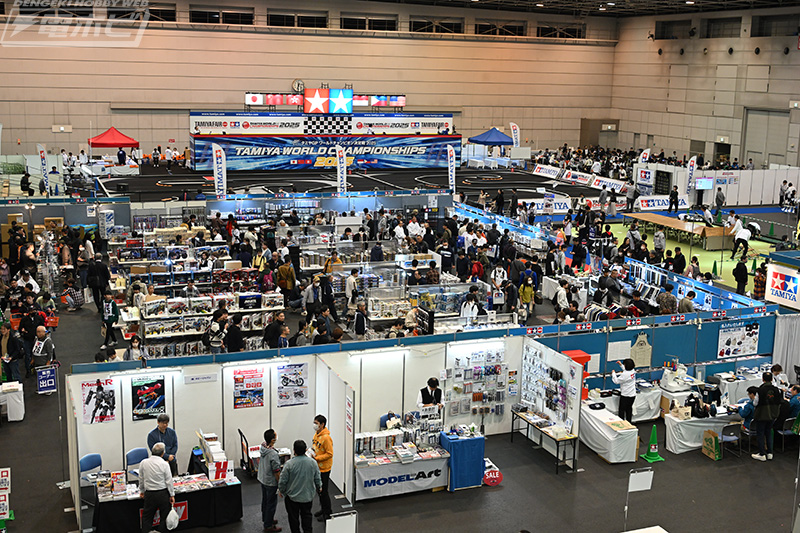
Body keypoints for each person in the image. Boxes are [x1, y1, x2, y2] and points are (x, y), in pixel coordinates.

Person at [278, 439, 322, 533]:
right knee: (307, 517)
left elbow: (282, 481)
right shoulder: (313, 463)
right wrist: (319, 487)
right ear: (305, 450)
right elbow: (317, 478)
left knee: (293, 519)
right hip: (307, 497)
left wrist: (282, 491)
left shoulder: (289, 464)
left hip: (292, 498)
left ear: (294, 451)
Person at [139, 442, 175, 533]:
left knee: (147, 517)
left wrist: (142, 491)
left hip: (149, 494)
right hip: (162, 494)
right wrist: (172, 495)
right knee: (164, 517)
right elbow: (169, 481)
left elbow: (141, 479)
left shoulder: (143, 463)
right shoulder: (164, 464)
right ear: (163, 453)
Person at [751, 373, 782, 461]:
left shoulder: (760, 390)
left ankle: (762, 454)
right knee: (768, 433)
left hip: (762, 415)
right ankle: (770, 453)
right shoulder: (777, 390)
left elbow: (755, 403)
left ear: (763, 379)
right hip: (773, 415)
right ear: (772, 379)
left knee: (760, 434)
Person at [259, 429, 282, 532]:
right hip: (271, 482)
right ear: (273, 440)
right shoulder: (273, 454)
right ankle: (268, 526)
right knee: (271, 504)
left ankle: (267, 519)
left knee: (265, 501)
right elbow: (276, 472)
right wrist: (280, 484)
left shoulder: (263, 447)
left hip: (263, 478)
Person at [311, 415, 333, 522]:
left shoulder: (326, 438)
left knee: (324, 492)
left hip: (324, 468)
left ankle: (327, 513)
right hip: (317, 468)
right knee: (319, 491)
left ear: (322, 424)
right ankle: (323, 509)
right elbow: (315, 447)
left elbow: (329, 454)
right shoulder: (316, 434)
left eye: (316, 423)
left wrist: (317, 458)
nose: (314, 425)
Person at [611, 358, 636, 423]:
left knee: (622, 410)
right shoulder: (633, 371)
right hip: (632, 395)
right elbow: (626, 370)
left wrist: (613, 374)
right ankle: (629, 422)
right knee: (629, 409)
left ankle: (621, 423)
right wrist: (621, 365)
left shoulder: (625, 375)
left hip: (625, 395)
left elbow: (616, 381)